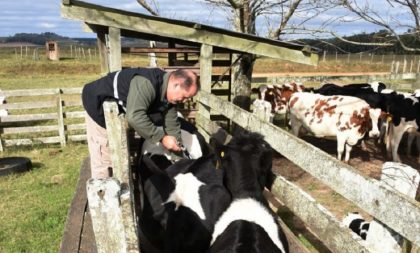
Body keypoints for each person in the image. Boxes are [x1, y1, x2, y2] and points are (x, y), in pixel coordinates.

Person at [82, 67, 200, 179]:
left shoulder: (169, 98)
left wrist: (178, 160)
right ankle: (102, 195)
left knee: (120, 154)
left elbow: (172, 126)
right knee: (105, 159)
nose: (184, 101)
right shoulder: (147, 84)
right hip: (99, 106)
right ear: (176, 84)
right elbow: (135, 117)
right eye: (185, 96)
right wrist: (162, 138)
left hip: (118, 111)